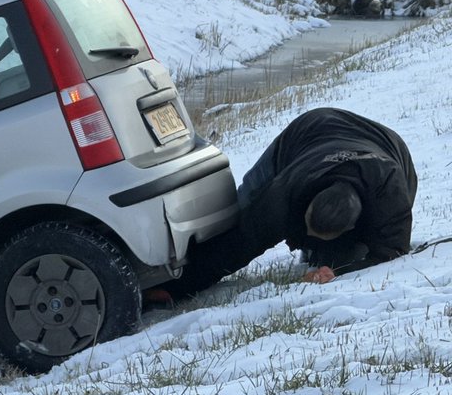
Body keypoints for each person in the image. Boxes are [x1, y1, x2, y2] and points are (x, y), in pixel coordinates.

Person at [168, 107, 417, 295]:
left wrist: (339, 271)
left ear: (352, 226)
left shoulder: (389, 192)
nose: (300, 236)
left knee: (342, 258)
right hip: (308, 133)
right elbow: (239, 244)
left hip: (385, 144)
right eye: (306, 224)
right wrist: (178, 287)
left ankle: (324, 251)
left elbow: (391, 252)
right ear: (311, 202)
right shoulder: (284, 193)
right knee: (239, 214)